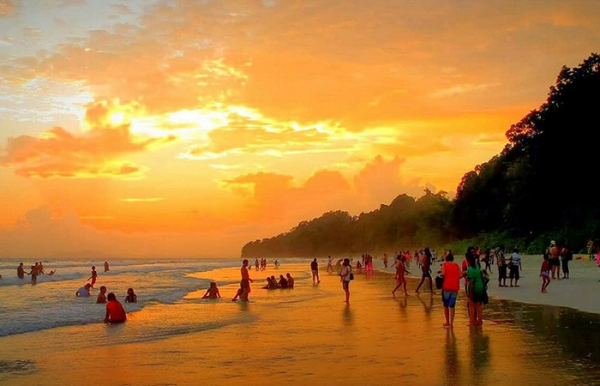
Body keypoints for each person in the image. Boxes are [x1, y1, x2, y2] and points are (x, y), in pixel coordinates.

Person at [441, 252, 462, 328]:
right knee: (452, 306)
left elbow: (443, 274)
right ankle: (452, 323)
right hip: (455, 287)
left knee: (445, 305)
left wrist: (440, 274)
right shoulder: (456, 265)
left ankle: (447, 322)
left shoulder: (444, 264)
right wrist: (454, 278)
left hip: (446, 287)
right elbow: (461, 275)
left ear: (446, 259)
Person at [466, 254, 486, 326]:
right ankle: (480, 320)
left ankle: (472, 321)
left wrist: (470, 295)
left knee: (471, 306)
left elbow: (471, 283)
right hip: (480, 288)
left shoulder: (470, 269)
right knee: (479, 305)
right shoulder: (477, 267)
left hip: (474, 289)